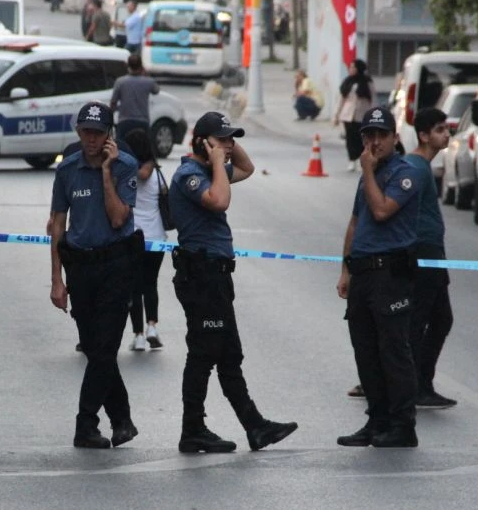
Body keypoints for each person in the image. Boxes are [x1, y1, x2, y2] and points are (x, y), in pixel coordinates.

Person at [167, 113, 297, 454]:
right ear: (202, 142)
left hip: (216, 276)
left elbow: (248, 168)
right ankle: (192, 429)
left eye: (230, 139)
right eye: (221, 139)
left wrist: (228, 146)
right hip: (202, 275)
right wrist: (213, 158)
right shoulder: (189, 176)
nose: (227, 146)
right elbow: (220, 201)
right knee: (203, 354)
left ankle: (255, 427)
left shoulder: (211, 171)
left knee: (228, 356)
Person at [48, 102, 142, 449]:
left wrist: (106, 172)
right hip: (80, 266)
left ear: (108, 135)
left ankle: (85, 423)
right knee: (93, 347)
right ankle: (122, 420)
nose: (90, 139)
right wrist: (57, 279)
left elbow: (118, 218)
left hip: (116, 265)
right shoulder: (67, 169)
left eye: (97, 133)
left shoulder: (124, 166)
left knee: (105, 348)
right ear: (78, 132)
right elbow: (57, 224)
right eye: (85, 131)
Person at [336, 106, 423, 450]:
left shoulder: (406, 173)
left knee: (393, 351)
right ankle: (377, 419)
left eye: (380, 135)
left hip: (391, 274)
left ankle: (403, 424)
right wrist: (345, 268)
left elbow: (382, 210)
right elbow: (356, 222)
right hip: (363, 272)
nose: (374, 142)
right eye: (368, 135)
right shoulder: (366, 176)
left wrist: (369, 171)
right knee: (365, 352)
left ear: (394, 138)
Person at [407, 107, 456, 409]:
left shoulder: (424, 166)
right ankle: (415, 385)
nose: (446, 134)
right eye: (439, 129)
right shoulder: (416, 167)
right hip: (423, 254)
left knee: (438, 319)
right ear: (424, 135)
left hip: (432, 253)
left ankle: (420, 383)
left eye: (446, 128)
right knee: (424, 320)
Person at [123, 126, 167, 353]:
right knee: (151, 283)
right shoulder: (158, 174)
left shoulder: (124, 172)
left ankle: (138, 335)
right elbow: (167, 196)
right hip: (156, 237)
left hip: (133, 237)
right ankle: (152, 327)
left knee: (134, 287)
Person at [108, 52, 159, 146]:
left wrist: (110, 118)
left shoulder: (120, 82)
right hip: (142, 121)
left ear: (128, 66)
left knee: (121, 148)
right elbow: (156, 90)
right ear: (141, 66)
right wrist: (146, 74)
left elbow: (113, 103)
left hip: (124, 121)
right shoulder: (148, 82)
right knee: (144, 149)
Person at [334, 59, 373, 171]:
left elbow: (373, 100)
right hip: (347, 115)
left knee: (362, 139)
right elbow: (341, 100)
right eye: (350, 67)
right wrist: (336, 115)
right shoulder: (347, 82)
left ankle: (362, 160)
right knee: (350, 139)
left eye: (353, 67)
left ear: (359, 69)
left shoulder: (367, 82)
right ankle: (352, 160)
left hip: (362, 115)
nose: (350, 69)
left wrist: (373, 115)